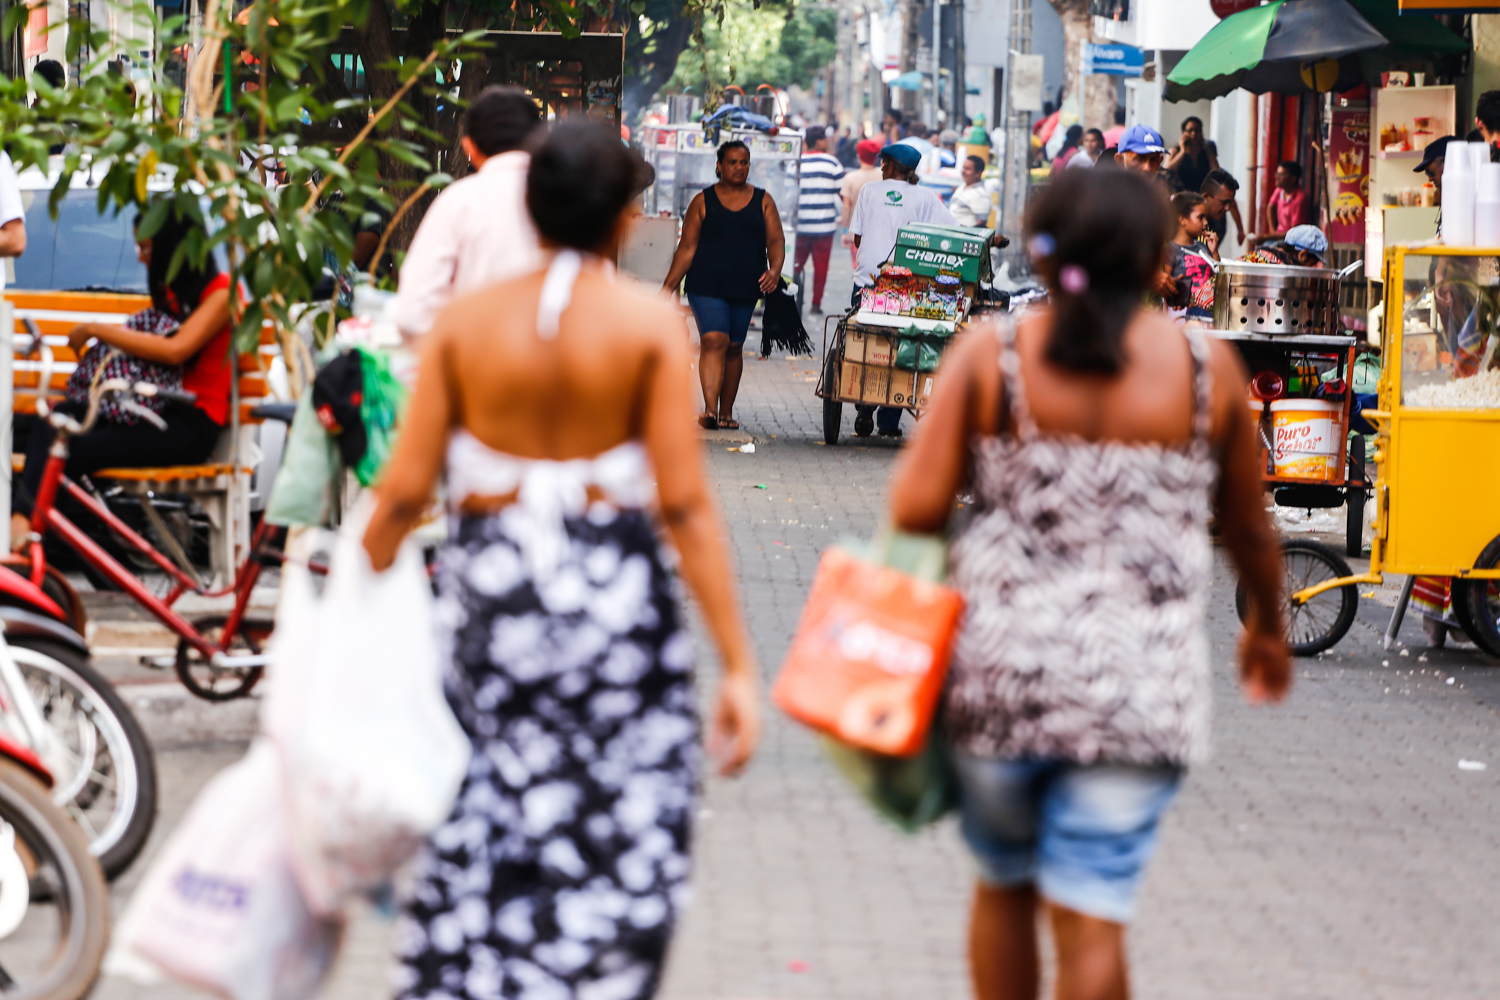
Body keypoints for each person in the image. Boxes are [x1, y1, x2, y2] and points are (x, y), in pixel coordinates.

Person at [363, 121, 759, 1000]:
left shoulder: (467, 327)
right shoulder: (650, 327)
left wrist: (356, 584)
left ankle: (480, 967)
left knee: (484, 805)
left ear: (530, 208)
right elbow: (685, 504)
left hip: (489, 606)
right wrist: (736, 664)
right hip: (618, 614)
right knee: (618, 823)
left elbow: (402, 492)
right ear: (625, 217)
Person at [886, 165, 1289, 1000]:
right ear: (1157, 265)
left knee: (1004, 884)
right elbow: (1249, 527)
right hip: (1137, 691)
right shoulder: (1208, 371)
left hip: (1001, 680)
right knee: (1092, 911)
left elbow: (916, 508)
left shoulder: (991, 356)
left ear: (1042, 257)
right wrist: (1267, 632)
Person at [12, 208, 229, 546]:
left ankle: (52, 543)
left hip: (188, 425)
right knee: (54, 419)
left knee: (68, 453)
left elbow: (175, 352)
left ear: (172, 248)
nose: (141, 259)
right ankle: (21, 525)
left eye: (146, 249)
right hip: (151, 409)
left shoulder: (221, 294)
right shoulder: (174, 295)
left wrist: (97, 330)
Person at [394, 86, 543, 340]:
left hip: (478, 364)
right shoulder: (570, 199)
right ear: (542, 141)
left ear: (469, 148)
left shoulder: (459, 201)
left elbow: (412, 314)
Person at [661, 140, 785, 431]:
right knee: (714, 339)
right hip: (706, 284)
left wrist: (775, 270)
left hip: (746, 285)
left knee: (734, 346)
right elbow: (687, 248)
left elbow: (776, 240)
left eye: (744, 162)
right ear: (719, 165)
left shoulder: (763, 201)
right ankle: (710, 410)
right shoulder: (702, 201)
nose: (739, 167)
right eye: (732, 162)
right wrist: (668, 287)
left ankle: (726, 411)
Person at [849, 142, 958, 438]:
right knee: (903, 347)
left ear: (892, 166)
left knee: (869, 344)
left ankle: (864, 400)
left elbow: (857, 239)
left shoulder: (870, 192)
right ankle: (888, 420)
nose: (881, 167)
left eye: (884, 163)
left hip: (867, 282)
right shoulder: (925, 197)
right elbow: (951, 230)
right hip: (907, 288)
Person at [794, 125, 844, 315]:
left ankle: (792, 298)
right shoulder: (832, 164)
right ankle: (816, 304)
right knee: (821, 266)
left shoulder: (797, 162)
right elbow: (842, 193)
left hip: (801, 224)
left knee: (796, 264)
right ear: (820, 141)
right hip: (824, 225)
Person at [1169, 191, 1218, 323]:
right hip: (1179, 314)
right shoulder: (1170, 249)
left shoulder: (1203, 247)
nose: (1205, 222)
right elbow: (1165, 288)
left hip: (1205, 312)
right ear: (1182, 219)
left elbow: (1217, 279)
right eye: (1200, 217)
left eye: (1206, 217)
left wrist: (1214, 252)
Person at [839, 138, 884, 264]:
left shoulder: (850, 178)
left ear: (859, 155)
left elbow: (846, 207)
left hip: (857, 234)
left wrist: (844, 231)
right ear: (875, 158)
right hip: (880, 233)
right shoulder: (884, 176)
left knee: (859, 269)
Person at [1250, 160, 1308, 247]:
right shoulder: (1279, 190)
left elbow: (1294, 232)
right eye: (1277, 174)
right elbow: (1270, 207)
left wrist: (1267, 237)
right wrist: (1272, 231)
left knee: (1266, 251)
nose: (1277, 177)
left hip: (1292, 241)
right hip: (1278, 236)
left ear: (1293, 178)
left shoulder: (1300, 198)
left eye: (1281, 175)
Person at [1163, 116, 1218, 194]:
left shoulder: (1207, 154)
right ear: (1184, 133)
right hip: (1179, 196)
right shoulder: (1174, 152)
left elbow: (1217, 175)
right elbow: (1166, 172)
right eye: (1190, 130)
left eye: (1197, 130)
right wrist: (1182, 151)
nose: (1194, 133)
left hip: (1200, 196)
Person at [1241, 223, 1327, 268]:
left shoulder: (1263, 252)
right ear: (1302, 255)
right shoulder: (1286, 271)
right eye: (1311, 264)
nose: (1312, 268)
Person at [1199, 168, 1246, 248]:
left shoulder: (1210, 226)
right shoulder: (1188, 225)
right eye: (1223, 202)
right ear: (1206, 196)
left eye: (1230, 203)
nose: (1227, 208)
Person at [951, 155, 992, 228]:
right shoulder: (963, 186)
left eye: (968, 169)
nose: (963, 171)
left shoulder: (981, 195)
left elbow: (980, 225)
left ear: (978, 173)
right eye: (963, 167)